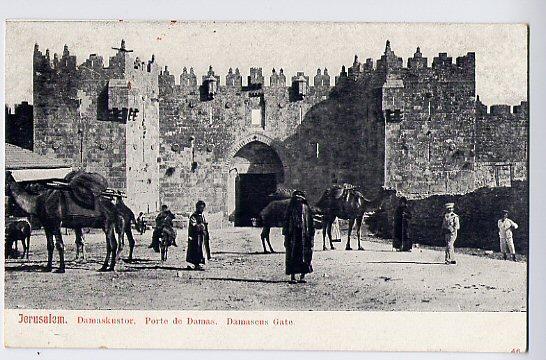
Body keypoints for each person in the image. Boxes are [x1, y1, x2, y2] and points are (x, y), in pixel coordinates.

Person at [283, 190, 315, 284]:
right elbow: (286, 223)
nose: (298, 201)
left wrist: (311, 236)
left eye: (300, 200)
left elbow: (311, 223)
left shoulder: (307, 209)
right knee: (292, 256)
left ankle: (302, 276)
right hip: (294, 237)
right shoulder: (290, 210)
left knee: (305, 256)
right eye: (296, 199)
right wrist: (286, 236)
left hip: (305, 236)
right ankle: (293, 276)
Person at [186, 200, 209, 270]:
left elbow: (205, 224)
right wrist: (200, 226)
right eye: (200, 208)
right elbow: (194, 225)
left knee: (202, 250)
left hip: (202, 236)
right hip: (195, 237)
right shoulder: (193, 216)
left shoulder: (202, 216)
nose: (201, 209)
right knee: (195, 250)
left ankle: (200, 263)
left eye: (202, 208)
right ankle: (196, 264)